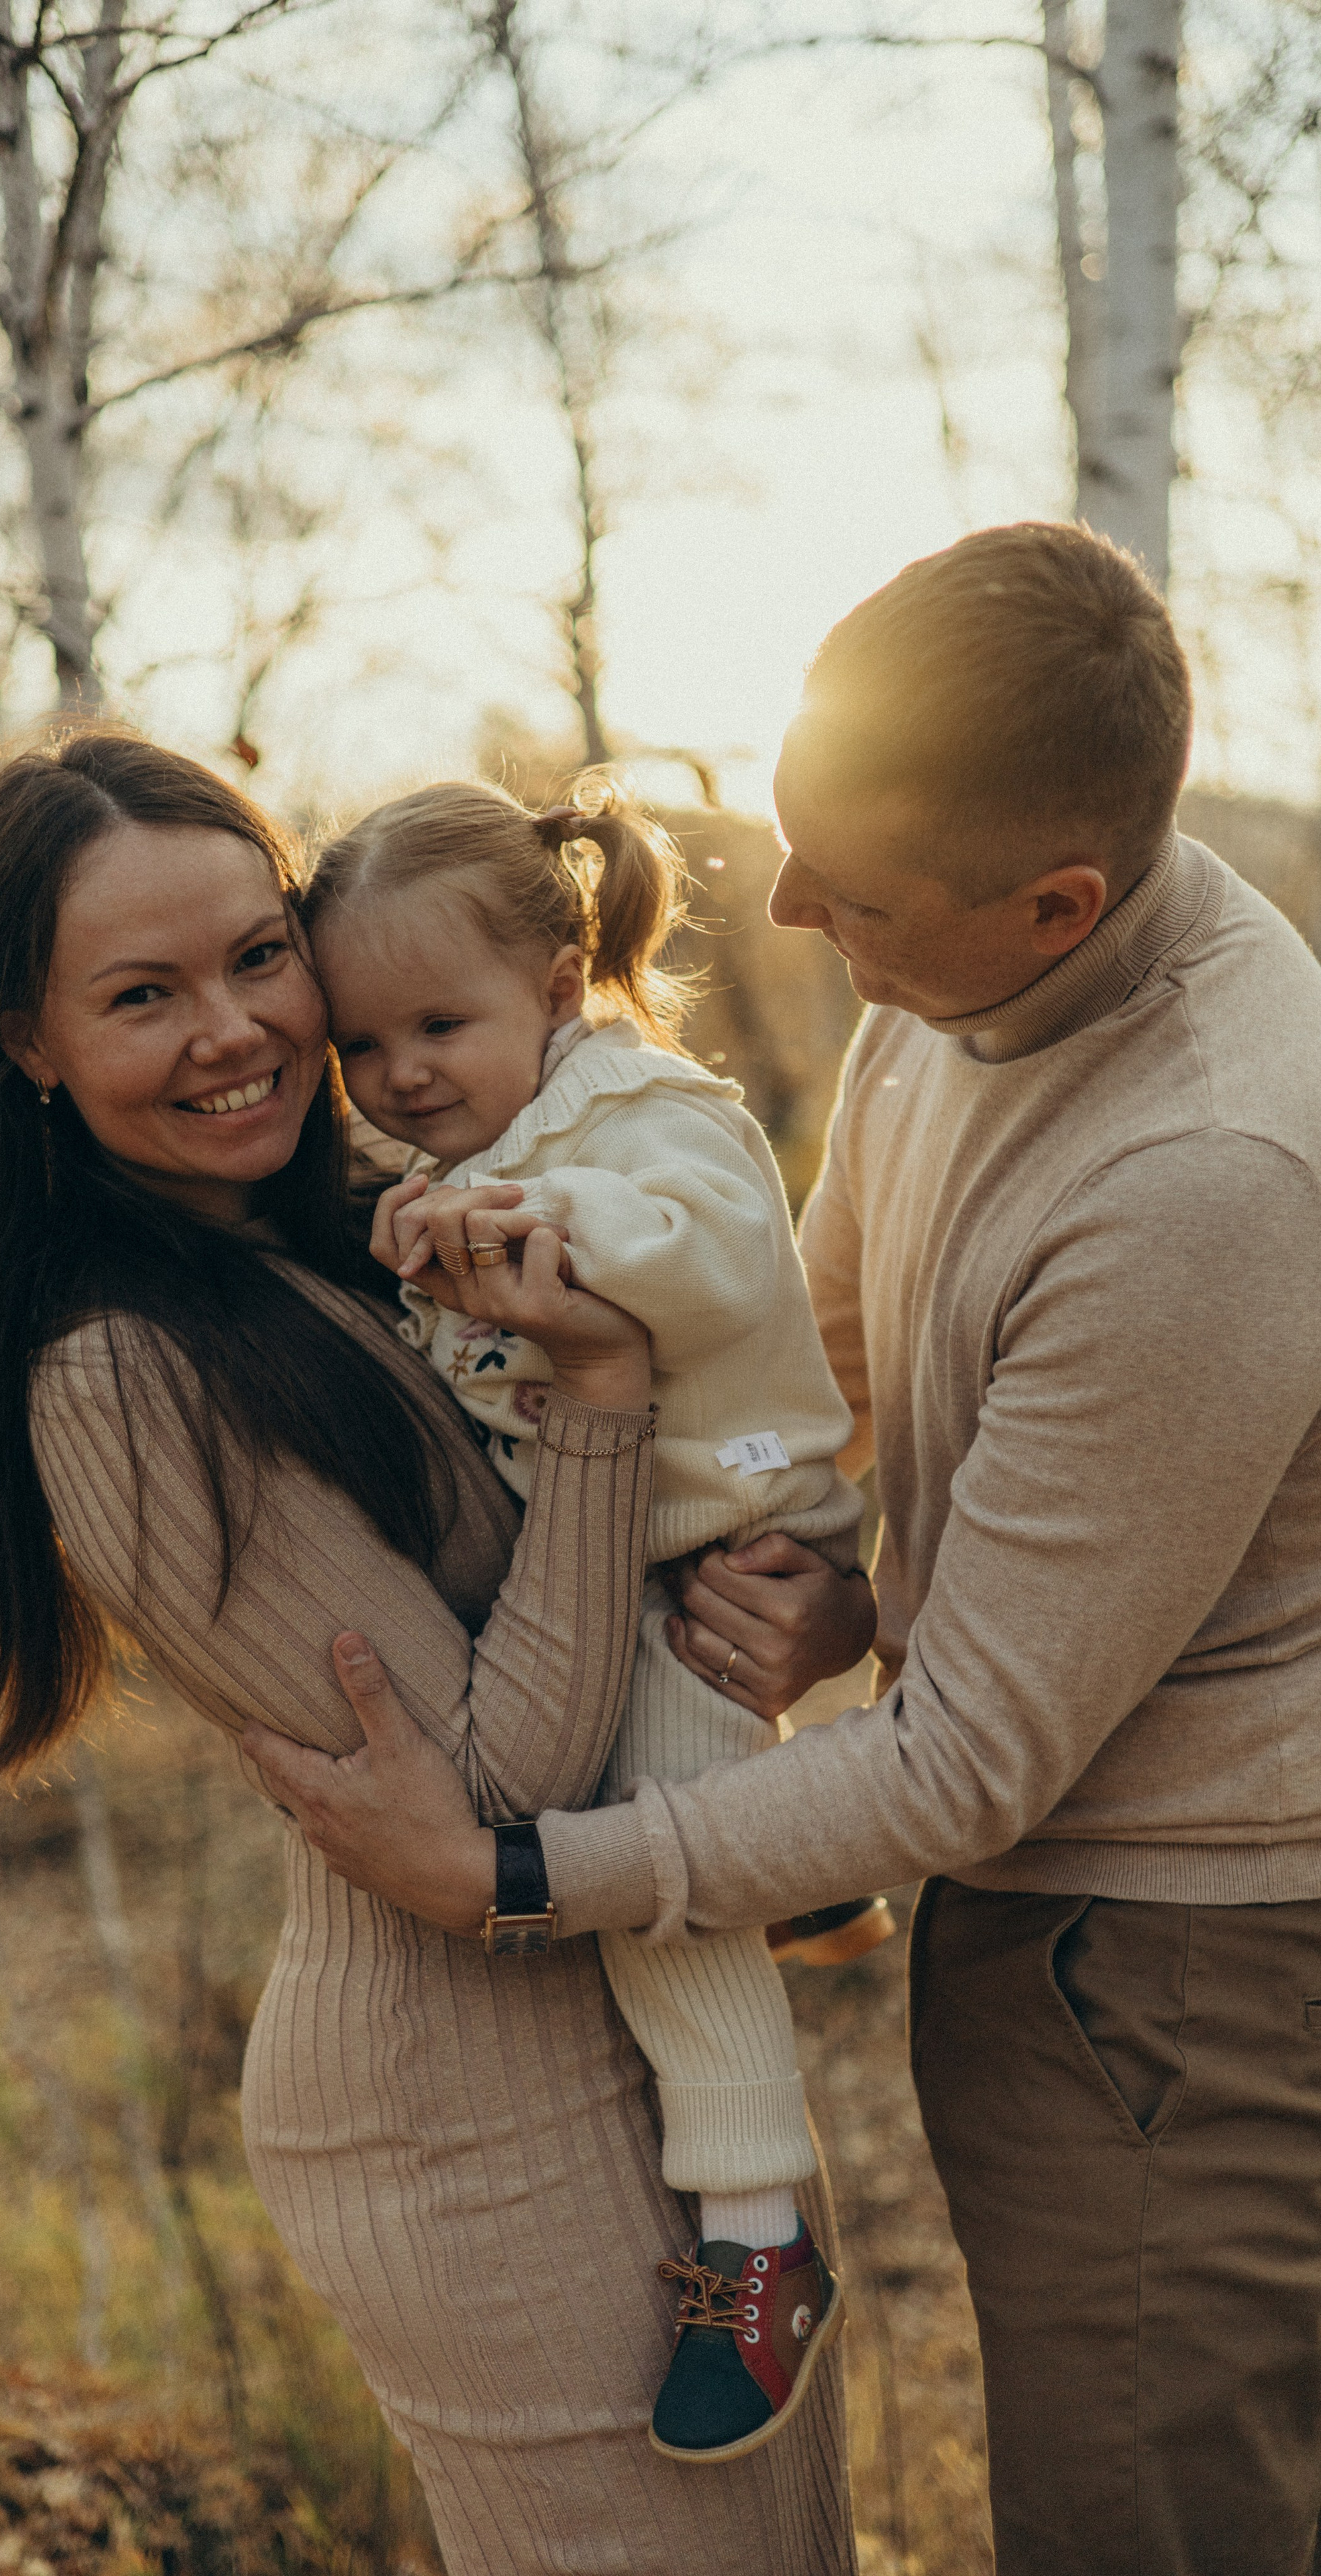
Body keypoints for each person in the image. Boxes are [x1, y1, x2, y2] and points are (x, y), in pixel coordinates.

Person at [247, 523, 1321, 2576]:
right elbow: (817, 1334)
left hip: (1183, 1964)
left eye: (862, 891)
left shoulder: (1208, 1171)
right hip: (1062, 1920)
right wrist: (834, 1572)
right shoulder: (969, 974)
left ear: (1061, 901)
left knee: (1146, 2528)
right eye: (793, 837)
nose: (797, 910)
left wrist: (518, 1877)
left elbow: (965, 1765)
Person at [0, 724, 869, 2576]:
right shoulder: (122, 1378)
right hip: (474, 2116)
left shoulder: (385, 1216)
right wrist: (598, 1396)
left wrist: (821, 1602)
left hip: (657, 2022)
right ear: (30, 1045)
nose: (235, 1031)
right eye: (141, 994)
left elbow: (716, 1422)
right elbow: (499, 1785)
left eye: (257, 956)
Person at [303, 777, 885, 2463]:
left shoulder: (647, 1112)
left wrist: (525, 1232)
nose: (403, 1077)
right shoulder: (449, 1154)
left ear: (560, 988)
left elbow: (704, 1259)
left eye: (438, 1024)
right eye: (365, 1046)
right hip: (613, 1555)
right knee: (653, 1850)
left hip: (723, 1558)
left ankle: (761, 2249)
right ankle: (801, 1879)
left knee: (651, 1900)